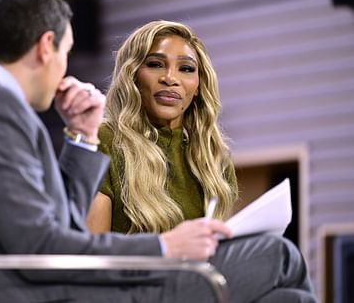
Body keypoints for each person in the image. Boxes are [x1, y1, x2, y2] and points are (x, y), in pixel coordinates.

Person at [0, 0, 315, 302]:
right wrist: (165, 247)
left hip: (54, 286)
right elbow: (42, 246)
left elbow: (51, 226)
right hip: (59, 294)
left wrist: (83, 139)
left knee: (289, 298)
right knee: (279, 254)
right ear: (47, 46)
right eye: (67, 51)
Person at [86, 20, 318, 302]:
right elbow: (91, 257)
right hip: (134, 290)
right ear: (132, 75)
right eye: (156, 64)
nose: (170, 78)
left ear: (197, 87)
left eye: (186, 69)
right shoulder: (104, 139)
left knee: (293, 299)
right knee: (281, 253)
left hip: (197, 283)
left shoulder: (212, 157)